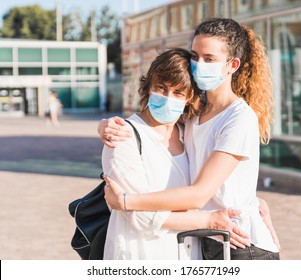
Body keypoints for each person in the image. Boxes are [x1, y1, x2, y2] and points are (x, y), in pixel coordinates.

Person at [101, 17, 281, 260]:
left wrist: (125, 201)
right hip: (206, 240)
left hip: (240, 242)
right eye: (195, 56)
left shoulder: (238, 118)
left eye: (210, 59)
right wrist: (103, 125)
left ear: (232, 65)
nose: (199, 64)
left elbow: (199, 194)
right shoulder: (193, 116)